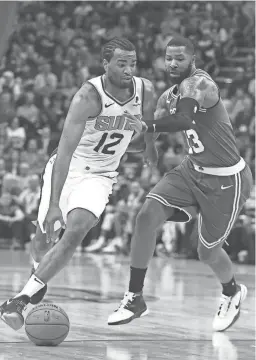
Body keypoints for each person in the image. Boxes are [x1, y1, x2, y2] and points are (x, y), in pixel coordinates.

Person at [0, 37, 157, 331]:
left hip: (101, 175)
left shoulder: (145, 90)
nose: (128, 70)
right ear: (105, 64)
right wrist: (55, 204)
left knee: (75, 232)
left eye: (132, 63)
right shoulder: (88, 97)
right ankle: (39, 269)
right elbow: (65, 152)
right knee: (43, 239)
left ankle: (19, 300)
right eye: (121, 63)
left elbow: (141, 146)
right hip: (68, 168)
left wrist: (145, 134)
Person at [108, 35, 253, 332]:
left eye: (180, 58)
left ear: (193, 60)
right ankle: (135, 297)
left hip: (226, 181)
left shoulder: (200, 85)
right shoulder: (167, 97)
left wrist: (149, 127)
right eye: (169, 58)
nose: (173, 63)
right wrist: (137, 145)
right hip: (191, 171)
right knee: (146, 216)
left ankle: (232, 292)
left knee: (206, 254)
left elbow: (185, 120)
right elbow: (151, 133)